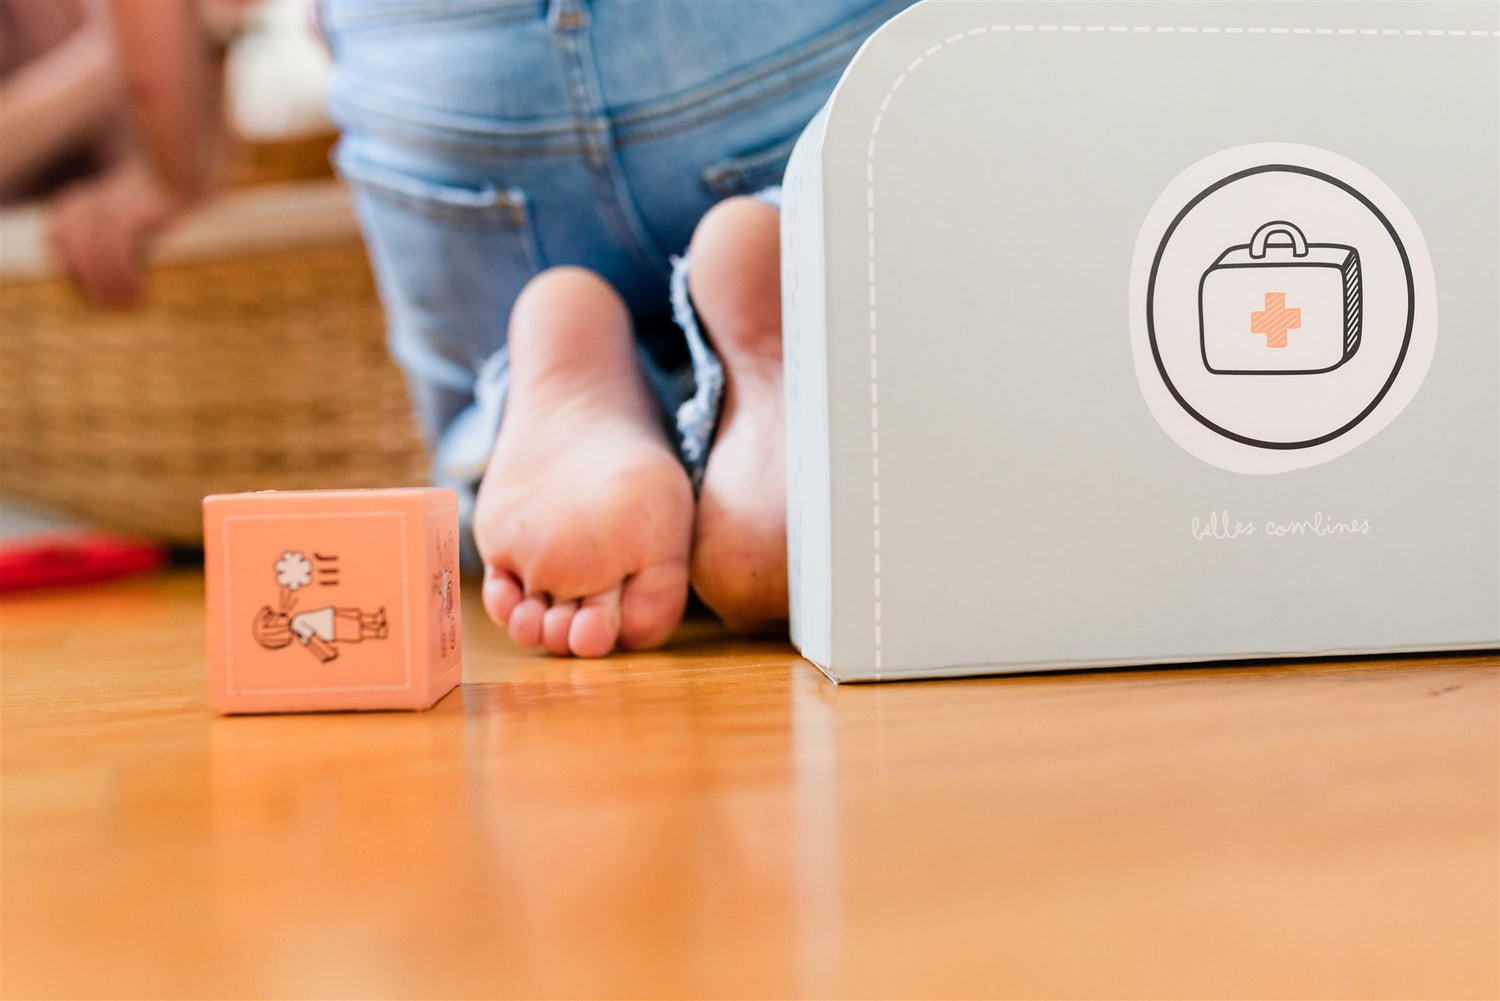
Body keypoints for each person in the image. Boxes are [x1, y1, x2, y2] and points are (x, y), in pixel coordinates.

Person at [319, 0, 912, 658]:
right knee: (917, 331)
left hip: (444, 68)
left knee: (492, 500)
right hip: (782, 50)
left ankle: (531, 393)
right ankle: (797, 377)